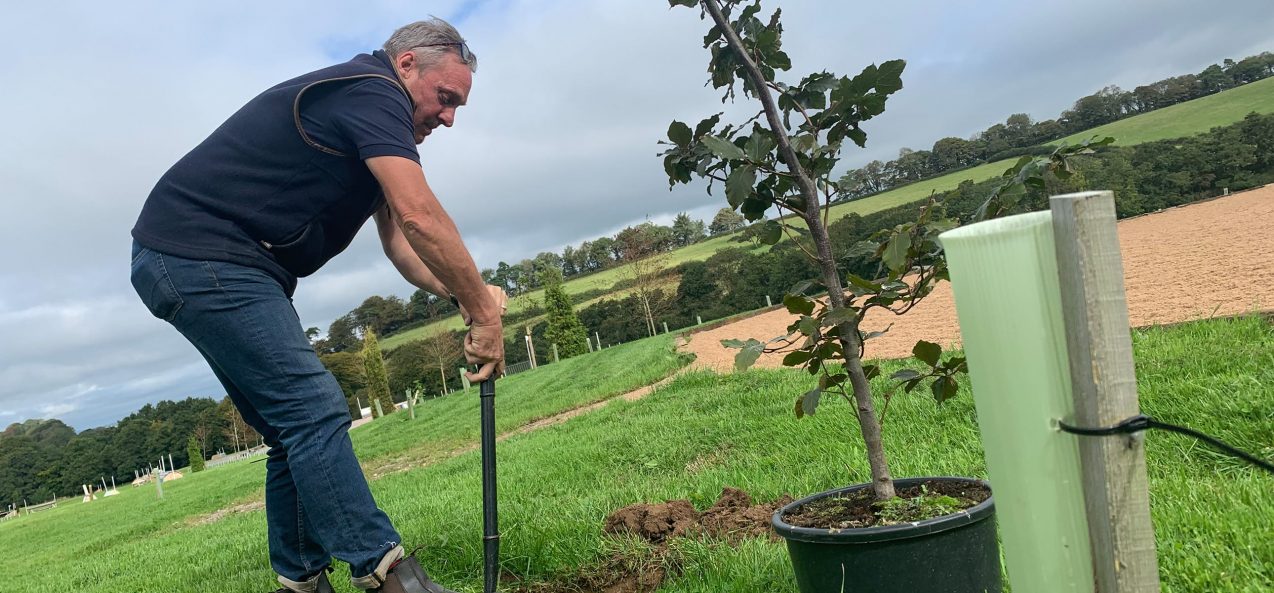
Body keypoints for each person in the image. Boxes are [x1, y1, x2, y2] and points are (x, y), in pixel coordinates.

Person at [129, 18, 505, 593]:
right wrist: (482, 308)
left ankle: (302, 581)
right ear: (407, 66)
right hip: (201, 254)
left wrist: (461, 293)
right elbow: (419, 215)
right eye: (445, 98)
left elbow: (402, 242)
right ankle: (389, 575)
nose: (448, 117)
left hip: (192, 258)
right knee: (311, 408)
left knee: (291, 427)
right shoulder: (372, 92)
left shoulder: (369, 113)